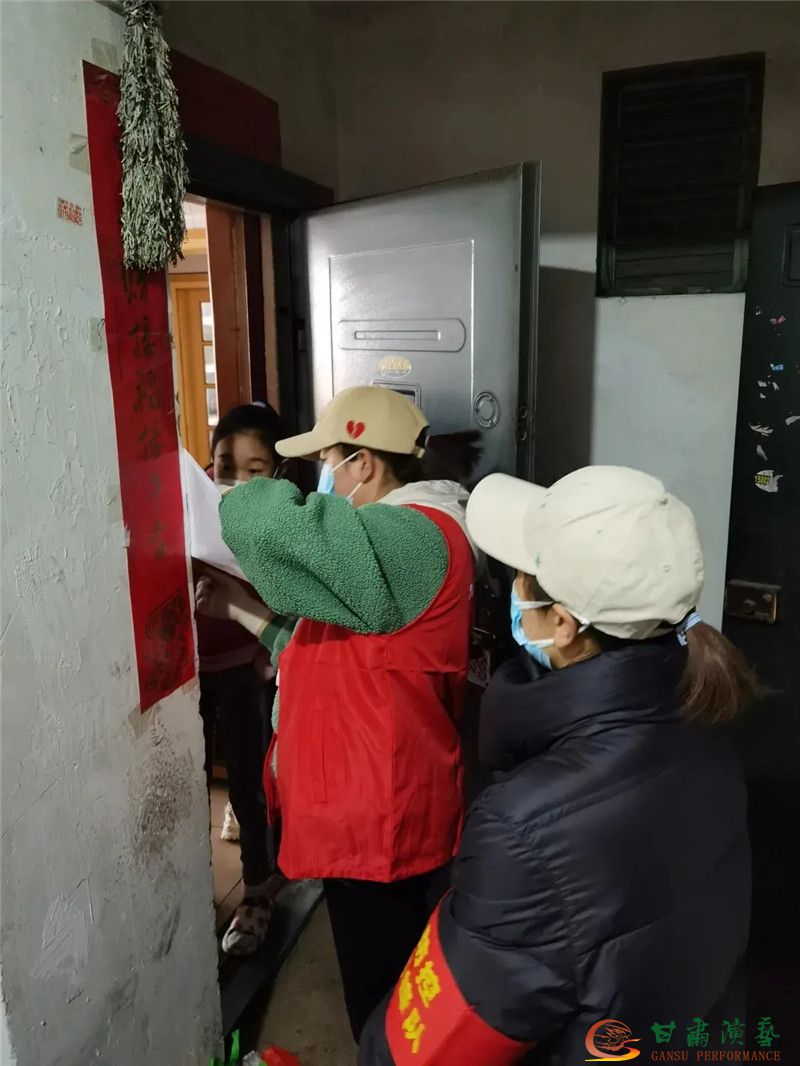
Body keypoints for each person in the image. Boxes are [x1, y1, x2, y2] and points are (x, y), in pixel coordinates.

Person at [358, 465, 756, 1066]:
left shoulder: (525, 827)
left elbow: (430, 1049)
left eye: (519, 577)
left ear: (563, 624)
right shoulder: (707, 717)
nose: (511, 591)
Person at [195, 386, 482, 1040]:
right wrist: (235, 608)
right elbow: (325, 652)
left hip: (382, 821)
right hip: (374, 811)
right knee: (387, 981)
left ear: (363, 463)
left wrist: (219, 494)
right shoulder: (385, 553)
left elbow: (269, 526)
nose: (321, 478)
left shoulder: (412, 537)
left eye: (326, 461)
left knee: (383, 1004)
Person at [196, 401, 293, 956]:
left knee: (250, 783)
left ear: (278, 472)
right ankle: (190, 889)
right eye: (224, 466)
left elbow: (285, 599)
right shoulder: (190, 506)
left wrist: (264, 655)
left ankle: (257, 892)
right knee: (189, 783)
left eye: (254, 470)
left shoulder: (281, 519)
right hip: (186, 673)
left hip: (244, 667)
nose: (234, 480)